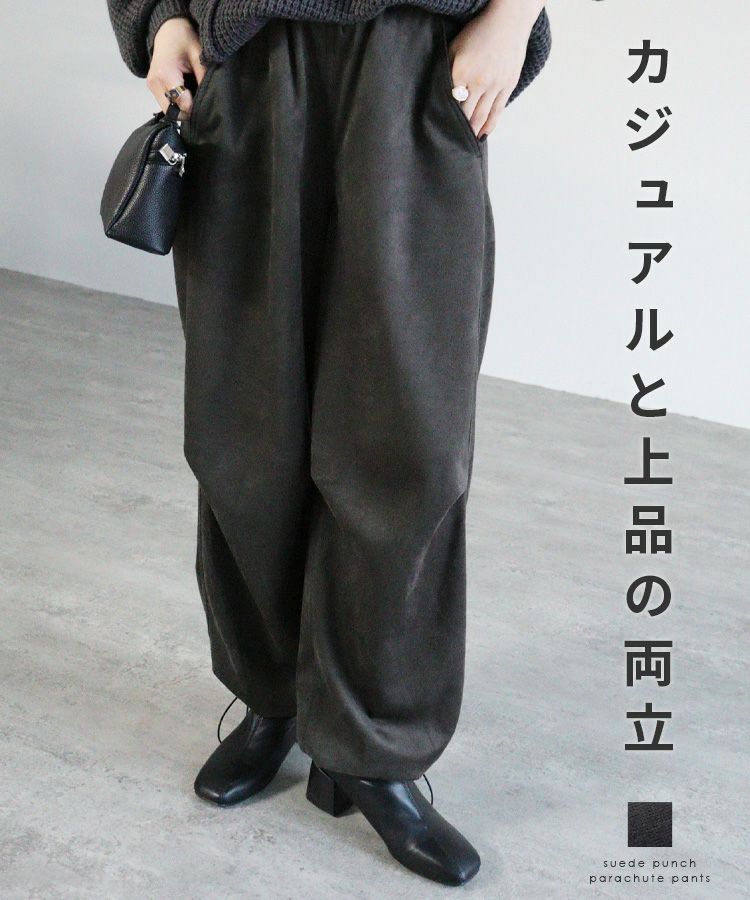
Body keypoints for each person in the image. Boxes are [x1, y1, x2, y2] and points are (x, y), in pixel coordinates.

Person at [106, 0, 550, 886]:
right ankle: (273, 694)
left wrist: (513, 14)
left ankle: (374, 748)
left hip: (415, 63)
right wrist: (156, 19)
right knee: (245, 428)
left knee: (406, 438)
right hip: (246, 65)